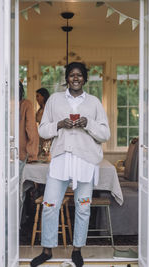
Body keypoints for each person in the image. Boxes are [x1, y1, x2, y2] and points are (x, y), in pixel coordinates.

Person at [31, 62, 110, 267]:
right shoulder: (55, 100)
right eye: (72, 75)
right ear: (67, 78)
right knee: (49, 205)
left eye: (80, 75)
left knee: (83, 208)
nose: (76, 78)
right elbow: (42, 130)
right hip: (61, 160)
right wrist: (59, 124)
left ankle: (77, 250)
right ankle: (47, 250)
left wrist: (88, 124)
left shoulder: (94, 103)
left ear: (84, 78)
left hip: (85, 161)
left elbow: (105, 134)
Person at [19, 82, 39, 225]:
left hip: (3, 156)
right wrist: (32, 154)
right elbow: (31, 128)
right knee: (21, 192)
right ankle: (20, 225)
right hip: (21, 155)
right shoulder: (26, 104)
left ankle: (14, 225)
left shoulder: (3, 102)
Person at [35, 87, 51, 158]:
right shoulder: (39, 110)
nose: (36, 98)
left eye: (38, 96)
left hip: (48, 139)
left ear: (43, 96)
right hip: (40, 139)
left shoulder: (49, 109)